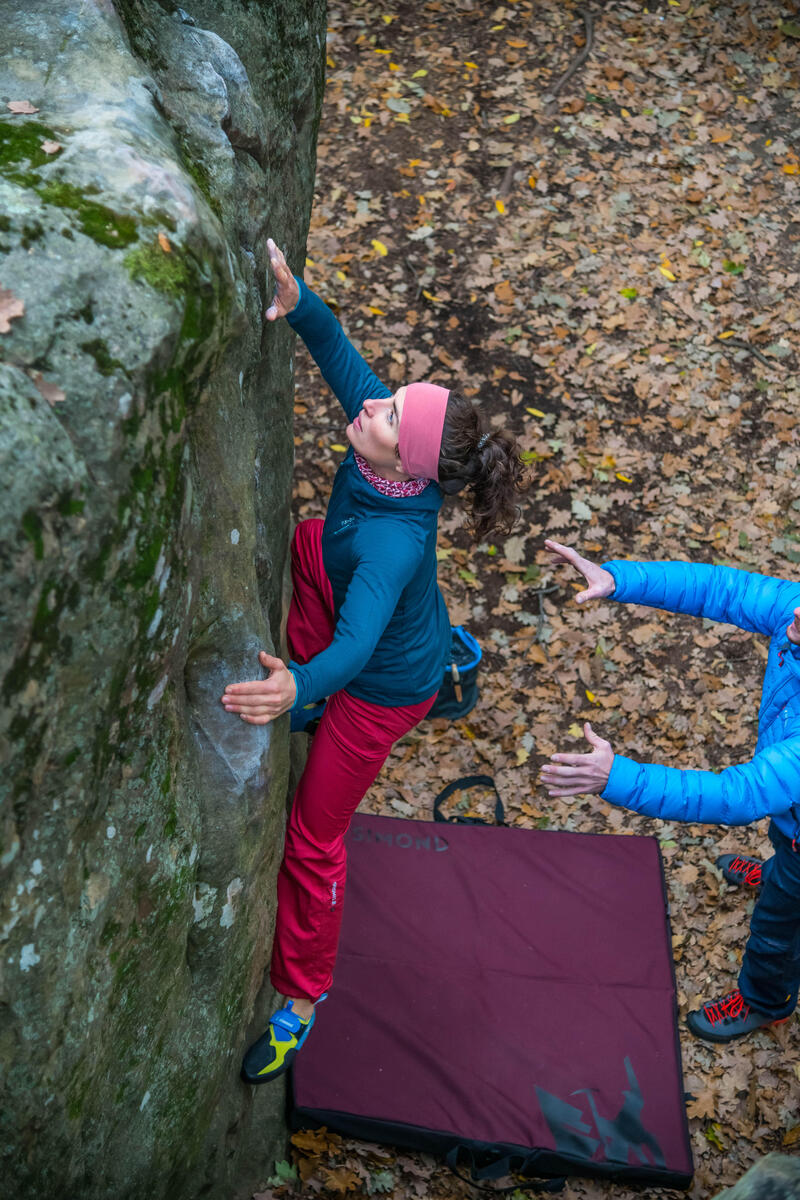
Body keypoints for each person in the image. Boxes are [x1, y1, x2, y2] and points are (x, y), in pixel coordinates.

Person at [223, 239, 525, 1082]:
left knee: (314, 838)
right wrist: (299, 300)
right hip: (352, 583)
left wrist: (298, 686)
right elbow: (342, 357)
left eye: (392, 414)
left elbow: (355, 649)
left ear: (407, 461)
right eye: (391, 400)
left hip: (383, 688)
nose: (375, 405)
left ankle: (302, 1000)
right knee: (309, 542)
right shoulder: (383, 442)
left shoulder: (397, 540)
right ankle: (313, 693)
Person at [540, 539, 800, 1044]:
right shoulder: (795, 615)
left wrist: (614, 778)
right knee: (784, 845)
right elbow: (719, 588)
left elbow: (736, 797)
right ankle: (777, 875)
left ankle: (767, 1000)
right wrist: (619, 580)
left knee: (778, 932)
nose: (797, 612)